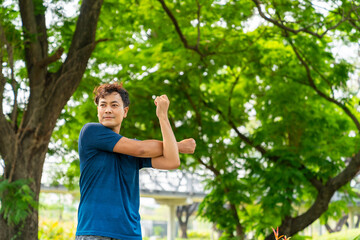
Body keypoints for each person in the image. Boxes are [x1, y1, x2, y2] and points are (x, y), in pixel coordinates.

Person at [75, 82, 196, 240]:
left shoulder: (130, 148)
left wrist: (162, 116)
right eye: (103, 105)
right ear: (98, 110)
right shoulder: (90, 132)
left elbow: (172, 161)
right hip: (95, 232)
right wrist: (177, 145)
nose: (108, 110)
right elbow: (142, 149)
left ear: (125, 111)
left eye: (114, 105)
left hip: (130, 234)